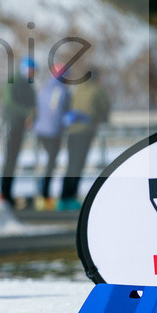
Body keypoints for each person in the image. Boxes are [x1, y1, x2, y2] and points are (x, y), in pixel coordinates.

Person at [58, 69, 111, 211]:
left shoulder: (78, 88)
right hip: (85, 130)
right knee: (78, 164)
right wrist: (102, 118)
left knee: (71, 164)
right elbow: (105, 108)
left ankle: (63, 197)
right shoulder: (97, 89)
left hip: (72, 130)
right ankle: (71, 197)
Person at [0, 57, 36, 211]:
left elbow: (33, 103)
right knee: (8, 160)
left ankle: (8, 194)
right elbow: (10, 102)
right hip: (10, 124)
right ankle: (3, 193)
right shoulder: (12, 82)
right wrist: (26, 112)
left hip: (20, 126)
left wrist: (31, 114)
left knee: (14, 160)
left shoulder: (28, 86)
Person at [32, 63, 71, 211]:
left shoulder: (44, 87)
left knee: (47, 163)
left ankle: (43, 195)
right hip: (53, 131)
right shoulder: (61, 90)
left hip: (40, 130)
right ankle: (44, 195)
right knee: (50, 164)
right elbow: (61, 111)